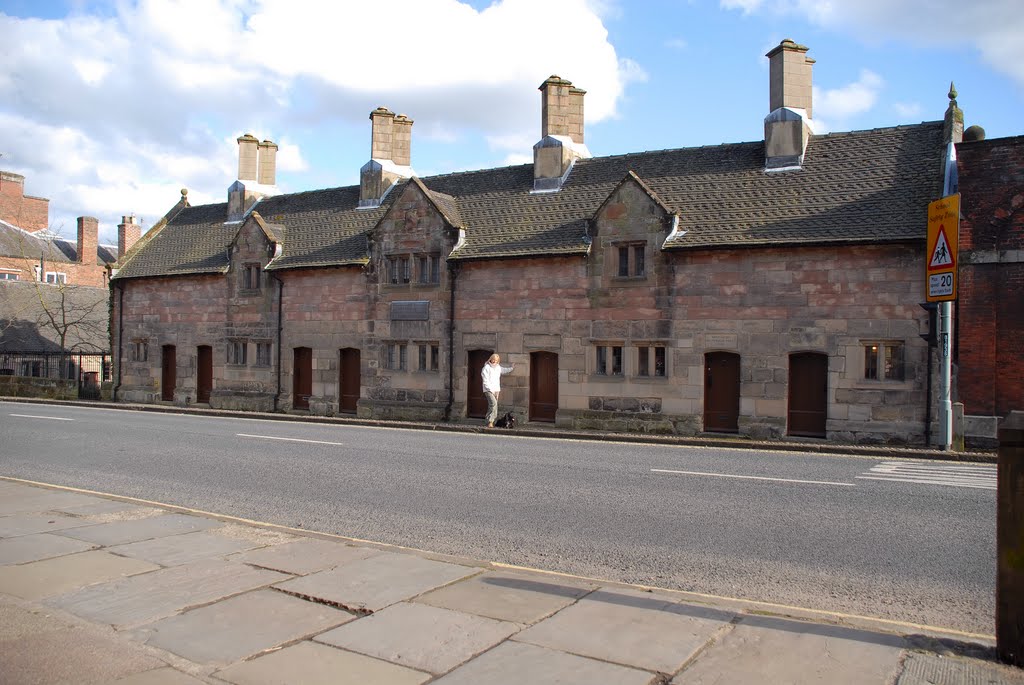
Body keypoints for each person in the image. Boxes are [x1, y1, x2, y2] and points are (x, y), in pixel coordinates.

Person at [481, 353, 514, 428]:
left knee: (492, 405)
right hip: (488, 390)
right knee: (494, 404)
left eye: (496, 360)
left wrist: (512, 368)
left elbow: (504, 370)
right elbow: (485, 380)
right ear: (490, 359)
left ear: (498, 361)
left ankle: (488, 420)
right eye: (493, 360)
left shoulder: (498, 367)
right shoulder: (486, 368)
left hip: (496, 389)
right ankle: (490, 422)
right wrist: (490, 389)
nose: (494, 362)